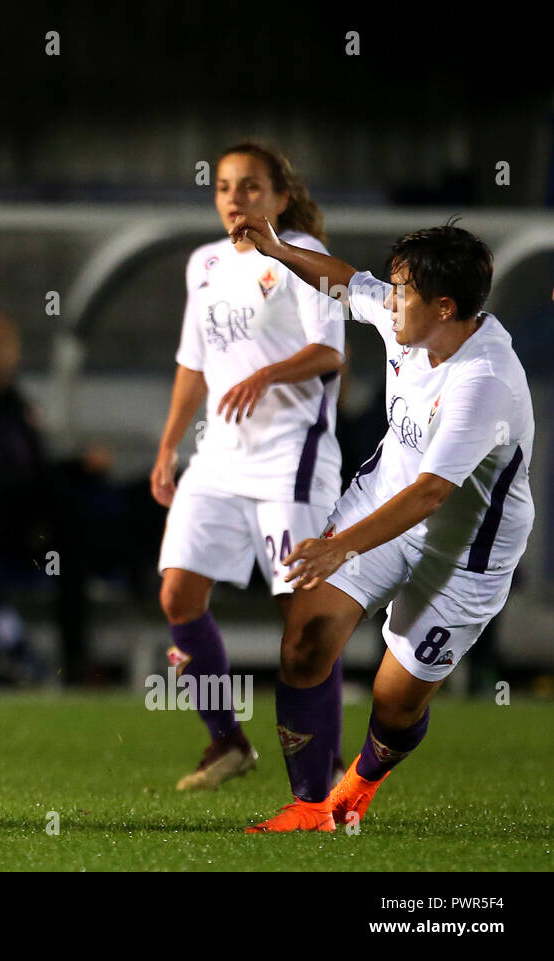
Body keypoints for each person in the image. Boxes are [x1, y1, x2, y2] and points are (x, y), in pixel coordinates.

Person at [229, 216, 534, 833]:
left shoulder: (483, 379)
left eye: (402, 291)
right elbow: (344, 281)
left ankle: (362, 781)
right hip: (381, 505)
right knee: (306, 640)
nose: (387, 299)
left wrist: (337, 547)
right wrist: (276, 248)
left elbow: (429, 494)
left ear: (444, 307)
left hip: (462, 553)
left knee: (395, 702)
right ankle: (311, 806)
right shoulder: (409, 324)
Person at [149, 143, 347, 790]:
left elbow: (329, 353)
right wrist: (168, 445)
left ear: (280, 196)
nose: (235, 197)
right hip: (219, 458)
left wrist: (268, 372)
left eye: (252, 186)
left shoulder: (302, 257)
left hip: (292, 456)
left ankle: (328, 770)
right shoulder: (202, 263)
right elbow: (193, 363)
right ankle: (228, 741)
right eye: (226, 186)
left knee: (304, 618)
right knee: (177, 592)